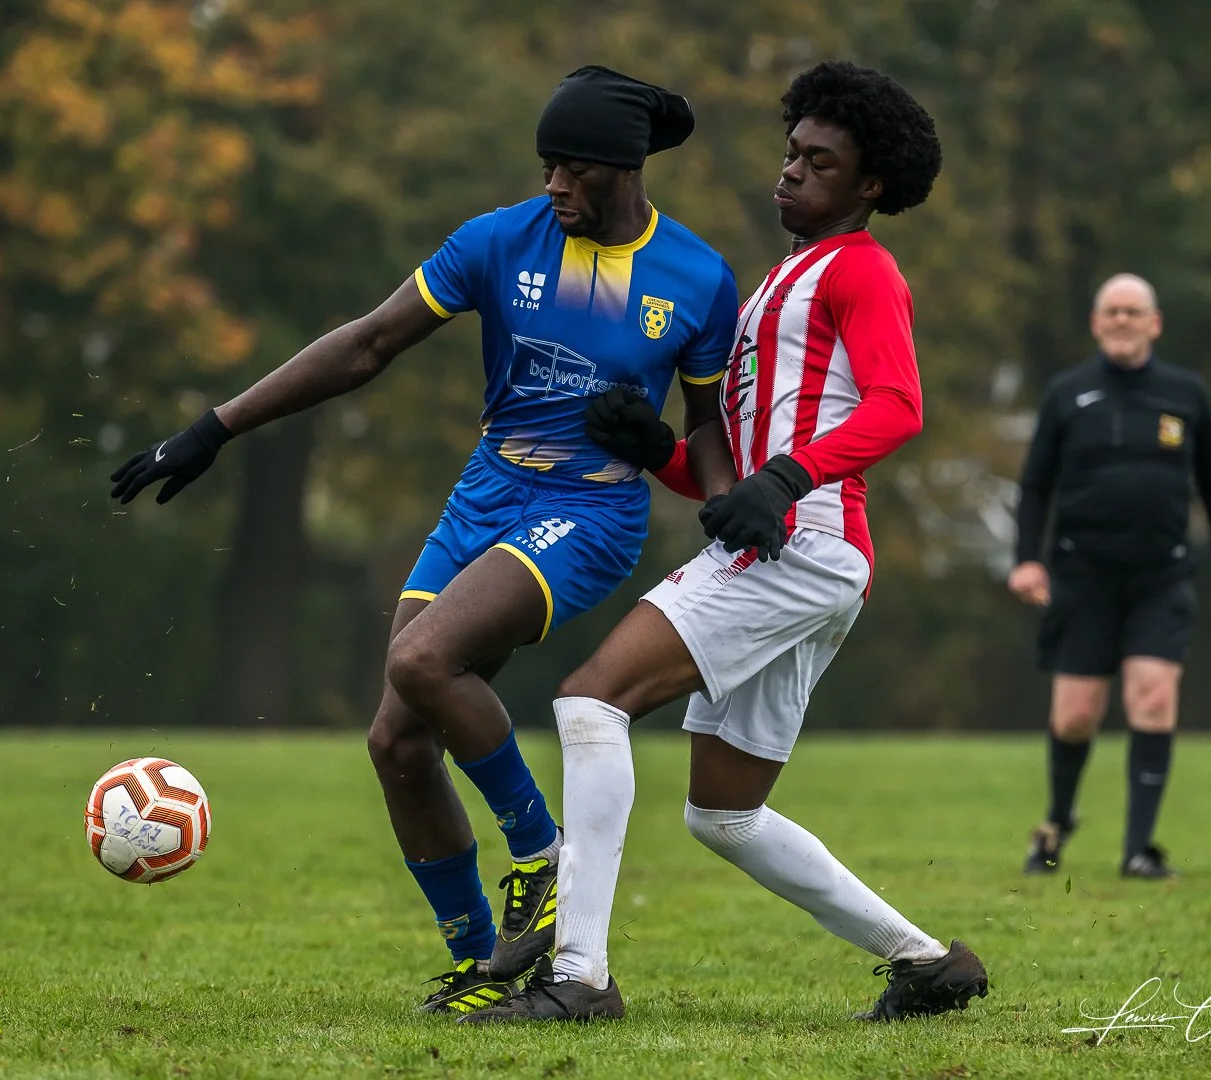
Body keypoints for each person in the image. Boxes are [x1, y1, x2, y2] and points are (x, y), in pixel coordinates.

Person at [108, 66, 740, 1014]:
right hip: (488, 491)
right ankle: (481, 965)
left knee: (425, 658)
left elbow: (707, 435)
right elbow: (367, 344)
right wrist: (217, 427)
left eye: (569, 169)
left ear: (620, 168)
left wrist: (719, 509)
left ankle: (544, 853)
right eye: (545, 168)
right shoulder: (496, 241)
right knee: (398, 740)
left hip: (593, 510)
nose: (553, 186)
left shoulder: (697, 277)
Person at [459, 60, 989, 1025]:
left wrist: (788, 480)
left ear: (870, 188)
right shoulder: (786, 275)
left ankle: (576, 980)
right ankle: (927, 964)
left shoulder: (862, 268)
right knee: (724, 812)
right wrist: (663, 450)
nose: (791, 173)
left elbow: (900, 407)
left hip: (807, 544)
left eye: (820, 163)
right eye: (791, 153)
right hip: (813, 554)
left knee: (588, 701)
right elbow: (737, 477)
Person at [1008, 273, 1211, 880]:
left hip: (1161, 578)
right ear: (1096, 323)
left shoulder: (1186, 394)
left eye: (1133, 311)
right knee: (1075, 716)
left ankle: (1138, 850)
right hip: (1082, 576)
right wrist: (1027, 558)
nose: (1122, 320)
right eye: (1111, 311)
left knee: (1153, 697)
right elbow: (1035, 485)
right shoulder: (1068, 393)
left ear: (1155, 322)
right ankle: (1058, 824)